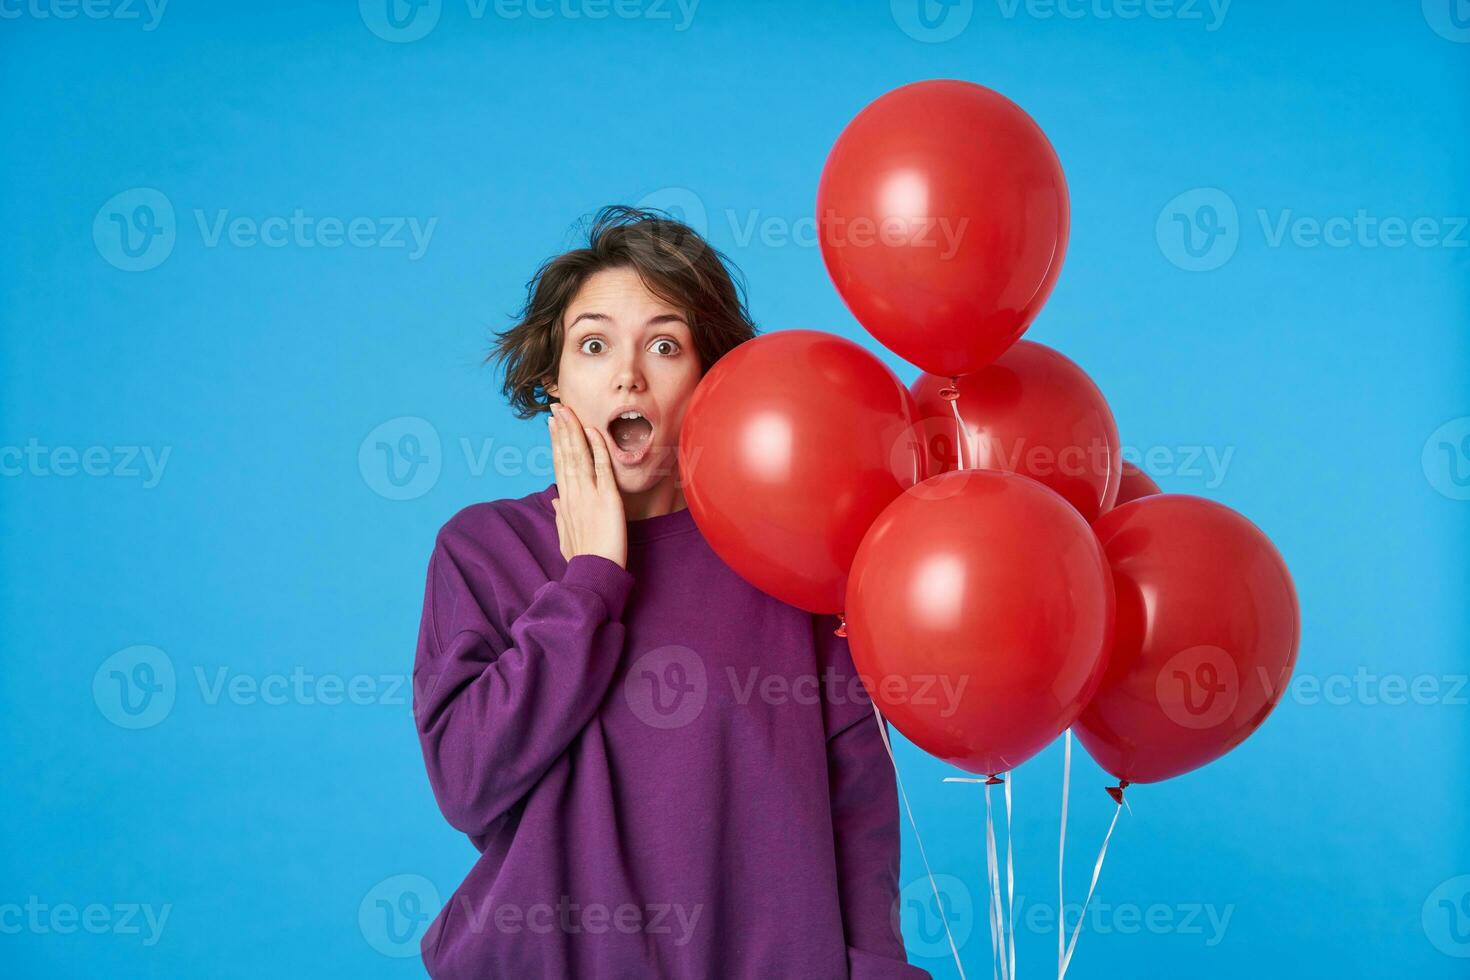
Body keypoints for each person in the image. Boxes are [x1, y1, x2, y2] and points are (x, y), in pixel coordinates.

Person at [411, 205, 930, 978]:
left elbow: (858, 811)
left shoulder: (787, 557)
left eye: (664, 344)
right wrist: (590, 581)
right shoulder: (484, 550)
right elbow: (466, 783)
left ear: (711, 380)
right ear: (554, 381)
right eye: (593, 345)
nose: (628, 373)